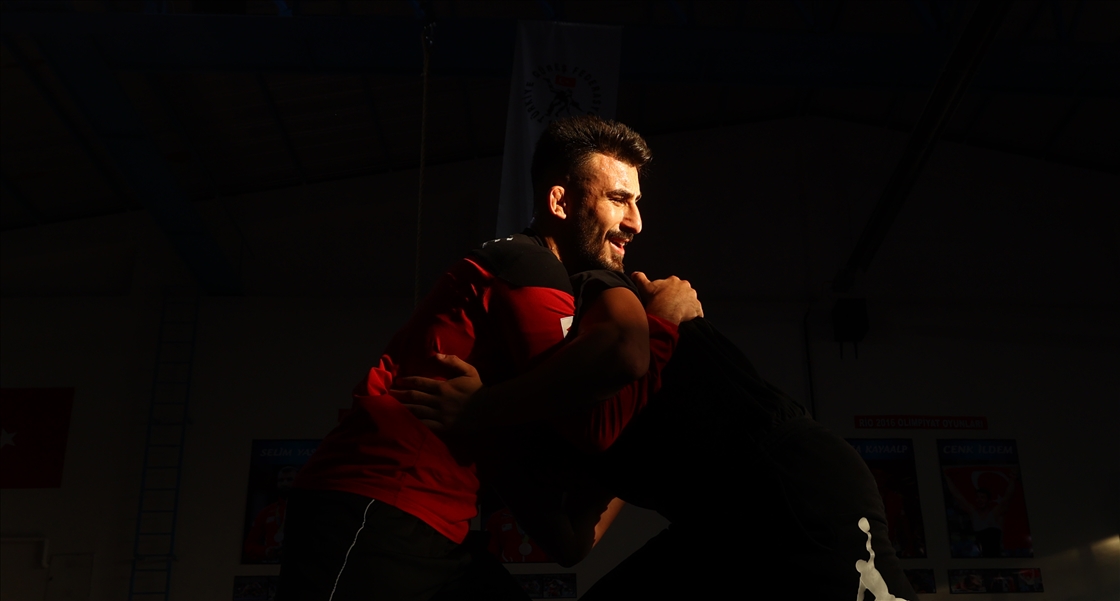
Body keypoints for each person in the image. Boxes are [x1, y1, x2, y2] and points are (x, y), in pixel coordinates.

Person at [276, 115, 701, 601]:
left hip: (436, 529)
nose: (635, 222)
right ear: (560, 202)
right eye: (619, 199)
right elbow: (596, 422)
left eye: (637, 202)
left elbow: (568, 541)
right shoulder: (526, 262)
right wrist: (662, 323)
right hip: (376, 502)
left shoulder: (515, 382)